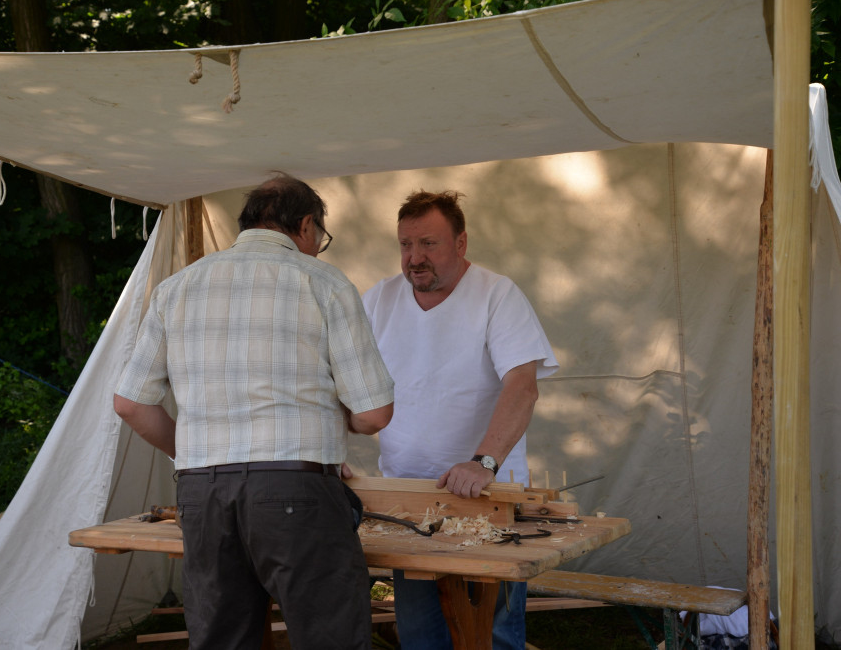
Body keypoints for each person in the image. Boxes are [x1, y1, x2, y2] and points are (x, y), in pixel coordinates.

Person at [114, 173, 394, 650]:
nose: (317, 247)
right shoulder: (323, 282)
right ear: (305, 226)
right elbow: (373, 414)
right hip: (297, 490)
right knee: (331, 640)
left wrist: (199, 451)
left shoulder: (177, 288)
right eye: (320, 238)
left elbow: (131, 403)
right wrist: (329, 418)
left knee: (223, 641)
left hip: (202, 494)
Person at [362, 190, 558, 650]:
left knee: (493, 634)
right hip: (408, 502)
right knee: (420, 635)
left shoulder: (497, 295)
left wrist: (483, 462)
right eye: (406, 245)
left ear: (461, 242)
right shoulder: (378, 300)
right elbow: (340, 386)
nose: (415, 258)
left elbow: (522, 386)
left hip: (487, 497)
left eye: (428, 243)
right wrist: (327, 452)